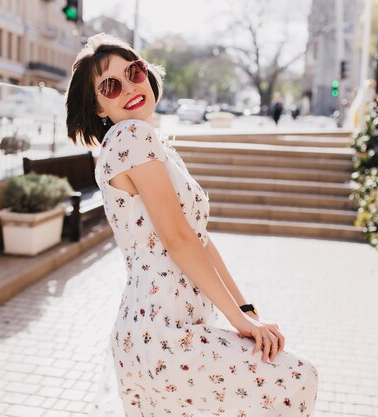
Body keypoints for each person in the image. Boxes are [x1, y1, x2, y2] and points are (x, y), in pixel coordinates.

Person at [65, 33, 318, 417]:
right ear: (98, 106)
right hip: (166, 334)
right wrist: (241, 322)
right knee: (295, 380)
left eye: (135, 72)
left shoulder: (146, 142)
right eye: (110, 86)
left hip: (164, 331)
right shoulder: (132, 137)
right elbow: (177, 238)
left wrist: (246, 311)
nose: (131, 87)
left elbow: (198, 237)